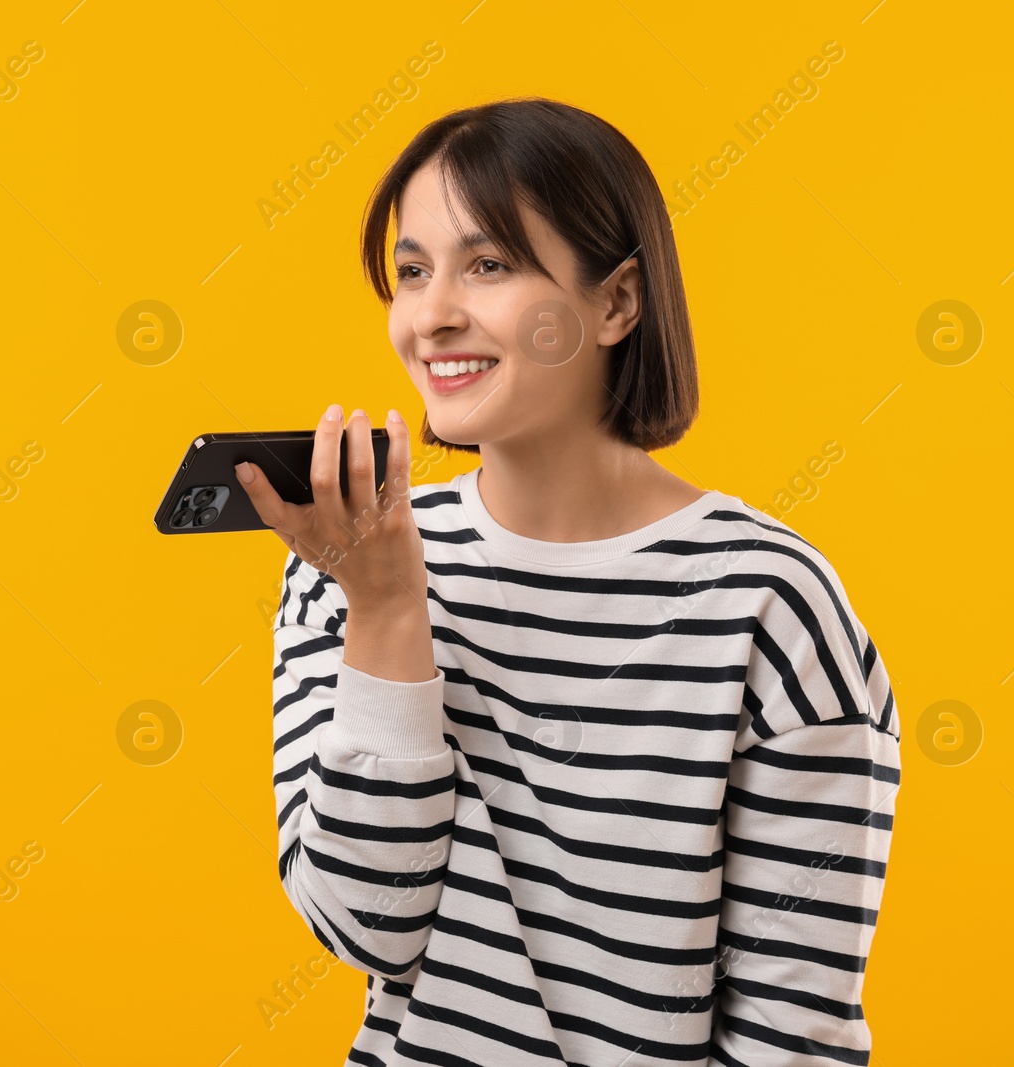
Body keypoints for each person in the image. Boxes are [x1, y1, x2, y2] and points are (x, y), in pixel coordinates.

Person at [233, 96, 901, 1067]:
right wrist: (385, 606)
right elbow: (364, 924)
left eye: (489, 263)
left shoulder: (768, 602)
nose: (433, 314)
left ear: (616, 303)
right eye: (412, 271)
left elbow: (789, 1036)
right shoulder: (345, 569)